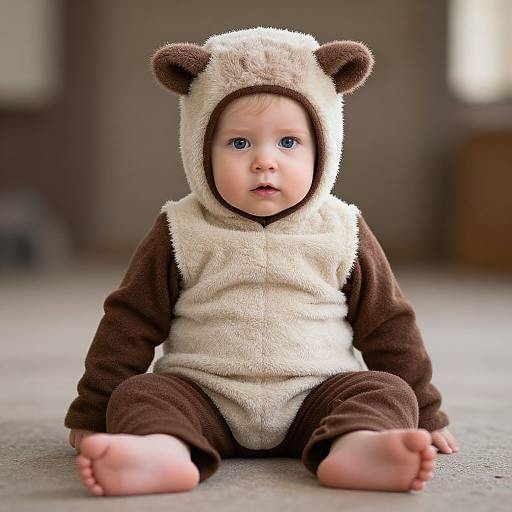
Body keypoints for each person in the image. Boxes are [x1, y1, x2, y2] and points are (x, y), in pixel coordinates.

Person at [65, 27, 459, 497]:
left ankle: (359, 446)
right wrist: (93, 411)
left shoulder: (342, 229)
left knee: (385, 392)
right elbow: (129, 321)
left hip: (318, 395)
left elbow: (388, 325)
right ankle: (162, 452)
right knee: (140, 394)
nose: (264, 162)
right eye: (239, 144)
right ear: (199, 147)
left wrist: (426, 411)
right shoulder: (180, 228)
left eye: (289, 143)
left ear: (324, 149)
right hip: (204, 395)